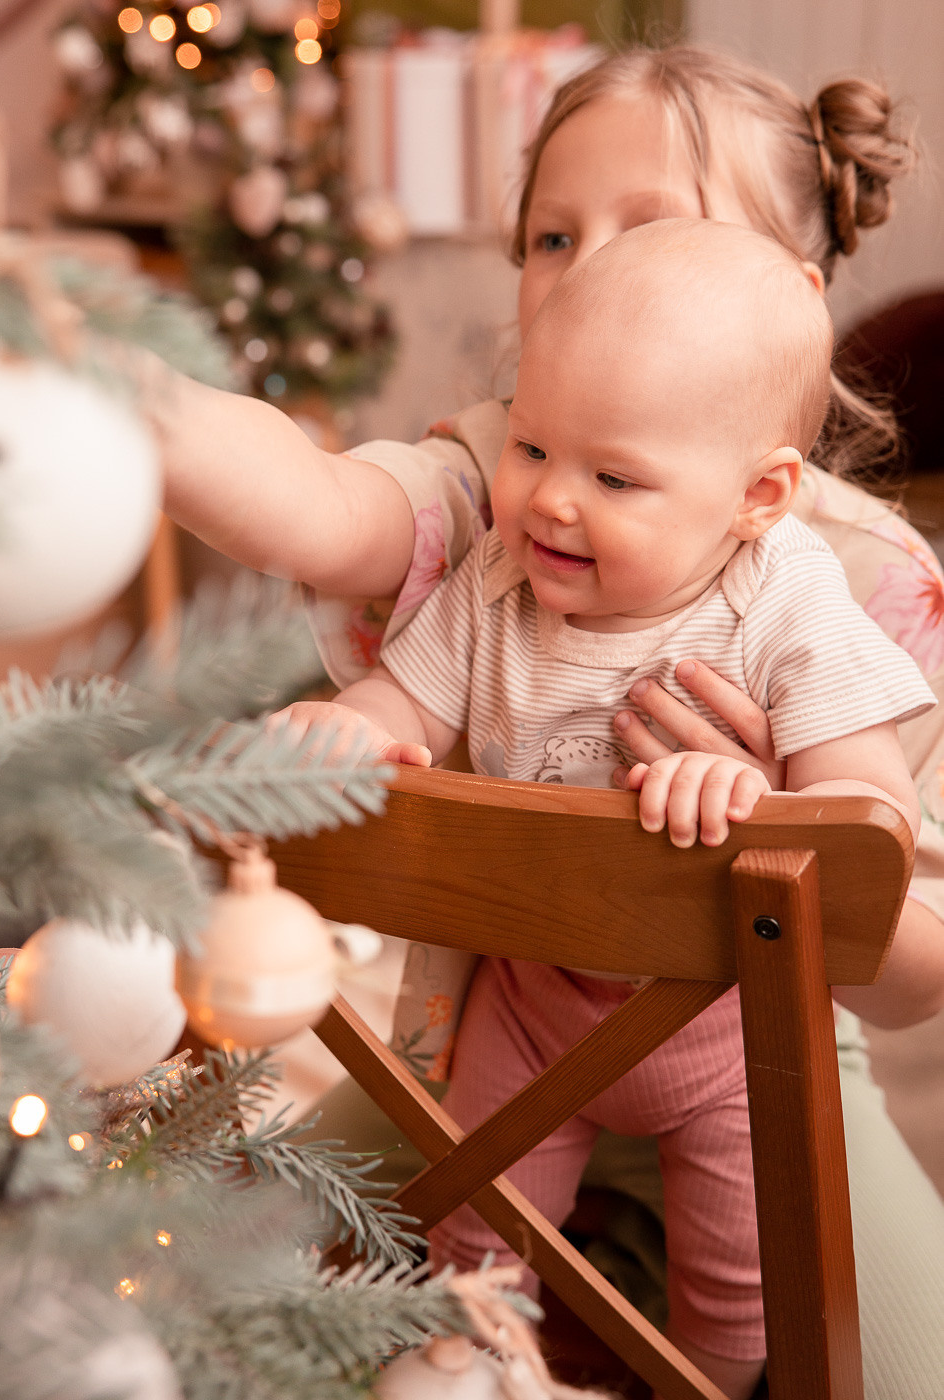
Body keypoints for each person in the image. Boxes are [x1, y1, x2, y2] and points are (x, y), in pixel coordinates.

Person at [147, 45, 944, 1398]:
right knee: (187, 1258)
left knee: (889, 1367)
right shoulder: (494, 503)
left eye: (656, 234)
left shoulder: (858, 579)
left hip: (767, 1060)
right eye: (551, 237)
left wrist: (793, 829)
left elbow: (911, 962)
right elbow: (315, 508)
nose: (582, 280)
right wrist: (121, 396)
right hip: (494, 1045)